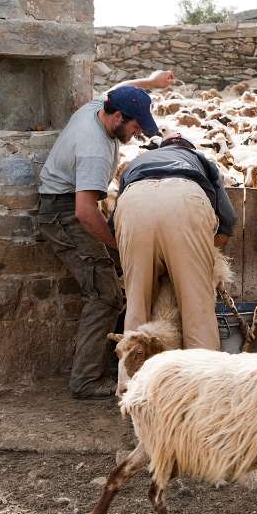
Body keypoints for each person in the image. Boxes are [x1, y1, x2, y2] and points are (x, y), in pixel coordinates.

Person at [37, 71, 174, 399]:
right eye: (135, 126)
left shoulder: (98, 107)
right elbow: (85, 212)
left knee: (118, 274)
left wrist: (151, 82)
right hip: (63, 214)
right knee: (105, 294)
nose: (138, 133)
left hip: (70, 204)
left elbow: (119, 89)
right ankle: (85, 379)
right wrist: (120, 245)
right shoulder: (96, 150)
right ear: (116, 117)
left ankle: (125, 357)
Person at [114, 133, 237, 350]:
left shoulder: (136, 162)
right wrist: (203, 253)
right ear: (189, 149)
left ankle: (130, 382)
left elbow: (114, 226)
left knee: (137, 306)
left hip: (134, 204)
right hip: (184, 200)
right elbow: (228, 219)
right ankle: (201, 380)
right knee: (197, 309)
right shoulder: (201, 160)